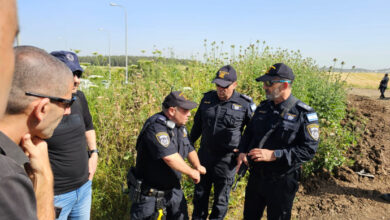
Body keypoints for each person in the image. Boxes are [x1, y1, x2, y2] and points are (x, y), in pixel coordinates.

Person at [236, 63, 319, 220]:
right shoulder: (263, 107)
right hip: (257, 176)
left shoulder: (303, 113)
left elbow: (308, 150)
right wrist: (242, 151)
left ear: (285, 85)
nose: (264, 87)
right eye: (264, 83)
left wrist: (275, 154)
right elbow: (249, 133)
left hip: (282, 180)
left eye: (269, 83)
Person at [0, 45, 74, 220]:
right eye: (67, 103)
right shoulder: (8, 181)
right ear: (43, 108)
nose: (68, 112)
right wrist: (44, 178)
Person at [190, 65, 255, 220]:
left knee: (220, 201)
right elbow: (197, 126)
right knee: (199, 197)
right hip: (204, 157)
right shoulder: (207, 99)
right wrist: (187, 146)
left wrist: (244, 150)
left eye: (225, 86)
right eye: (218, 85)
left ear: (234, 84)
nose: (220, 89)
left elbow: (253, 131)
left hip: (227, 161)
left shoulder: (244, 104)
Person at [129, 91, 206, 220]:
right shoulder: (156, 128)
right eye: (185, 110)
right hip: (150, 197)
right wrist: (191, 172)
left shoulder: (180, 126)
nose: (189, 114)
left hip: (173, 193)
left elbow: (189, 147)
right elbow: (170, 157)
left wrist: (197, 165)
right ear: (171, 111)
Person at [46, 50, 98, 220]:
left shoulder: (79, 98)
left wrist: (94, 153)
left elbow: (88, 127)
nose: (77, 79)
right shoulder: (41, 106)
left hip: (83, 189)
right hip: (55, 196)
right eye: (70, 74)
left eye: (78, 73)